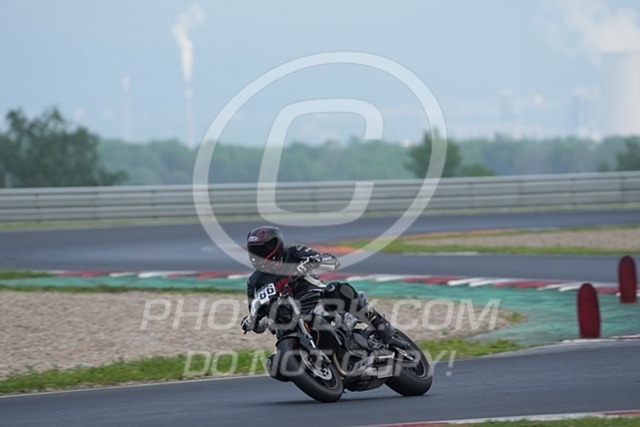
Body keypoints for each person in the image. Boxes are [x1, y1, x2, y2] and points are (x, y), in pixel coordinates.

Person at [240, 225, 395, 343]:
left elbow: (332, 262)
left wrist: (313, 261)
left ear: (273, 246)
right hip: (288, 318)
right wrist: (252, 322)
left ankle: (380, 324)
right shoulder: (255, 281)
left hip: (316, 299)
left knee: (335, 289)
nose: (256, 256)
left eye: (260, 251)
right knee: (276, 362)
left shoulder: (293, 252)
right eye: (253, 251)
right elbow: (258, 321)